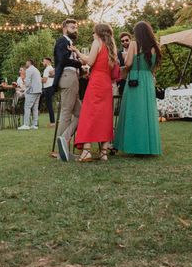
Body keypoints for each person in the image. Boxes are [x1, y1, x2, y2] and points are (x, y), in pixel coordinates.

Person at [70, 24, 120, 162]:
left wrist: (77, 52)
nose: (92, 34)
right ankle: (103, 153)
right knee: (104, 115)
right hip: (106, 83)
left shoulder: (97, 42)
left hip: (96, 81)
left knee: (89, 113)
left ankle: (86, 151)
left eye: (93, 32)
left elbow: (90, 62)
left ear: (98, 33)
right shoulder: (112, 46)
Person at [114, 21, 162, 156]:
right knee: (147, 113)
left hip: (135, 80)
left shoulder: (134, 44)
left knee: (134, 113)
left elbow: (128, 63)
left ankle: (135, 146)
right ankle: (147, 147)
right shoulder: (155, 47)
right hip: (147, 80)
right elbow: (152, 68)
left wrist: (126, 59)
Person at [53, 19, 83, 161]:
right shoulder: (61, 41)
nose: (75, 29)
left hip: (73, 78)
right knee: (66, 114)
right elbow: (62, 60)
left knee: (81, 114)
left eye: (76, 27)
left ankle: (64, 140)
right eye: (72, 27)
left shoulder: (70, 44)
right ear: (65, 28)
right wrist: (79, 63)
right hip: (68, 77)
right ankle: (61, 152)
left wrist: (81, 70)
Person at [18, 59, 42, 130]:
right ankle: (34, 124)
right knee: (35, 108)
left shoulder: (29, 70)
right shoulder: (36, 70)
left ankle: (26, 124)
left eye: (26, 62)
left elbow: (28, 82)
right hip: (38, 90)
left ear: (29, 63)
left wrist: (25, 89)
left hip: (32, 91)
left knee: (27, 107)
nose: (26, 64)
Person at [41, 58, 55, 127]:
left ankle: (52, 122)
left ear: (47, 61)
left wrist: (37, 78)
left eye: (43, 61)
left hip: (48, 88)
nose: (42, 62)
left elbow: (44, 80)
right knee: (49, 105)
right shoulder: (51, 68)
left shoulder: (47, 69)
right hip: (50, 88)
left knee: (49, 105)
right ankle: (52, 122)